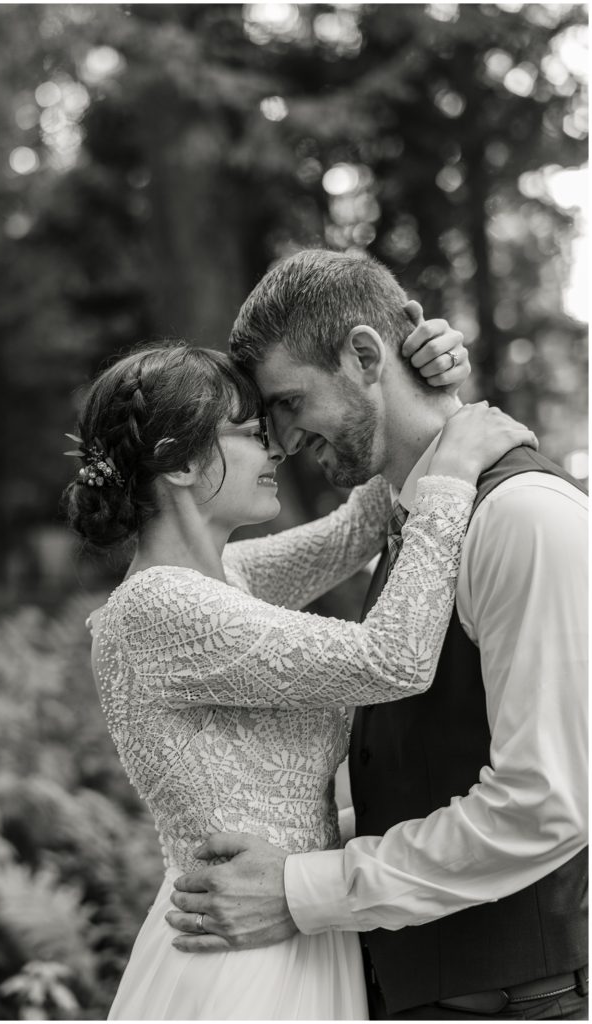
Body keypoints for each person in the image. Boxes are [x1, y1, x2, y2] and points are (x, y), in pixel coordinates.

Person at [63, 323, 534, 1021]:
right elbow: (391, 659)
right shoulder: (160, 607)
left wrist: (425, 384)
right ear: (181, 464)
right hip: (244, 966)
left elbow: (360, 525)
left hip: (293, 922)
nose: (279, 446)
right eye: (251, 432)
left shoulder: (227, 576)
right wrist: (455, 474)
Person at [168, 249, 588, 1021]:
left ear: (365, 355)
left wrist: (304, 889)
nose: (286, 442)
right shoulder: (412, 522)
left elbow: (544, 805)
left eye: (291, 402)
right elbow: (429, 769)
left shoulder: (524, 519)